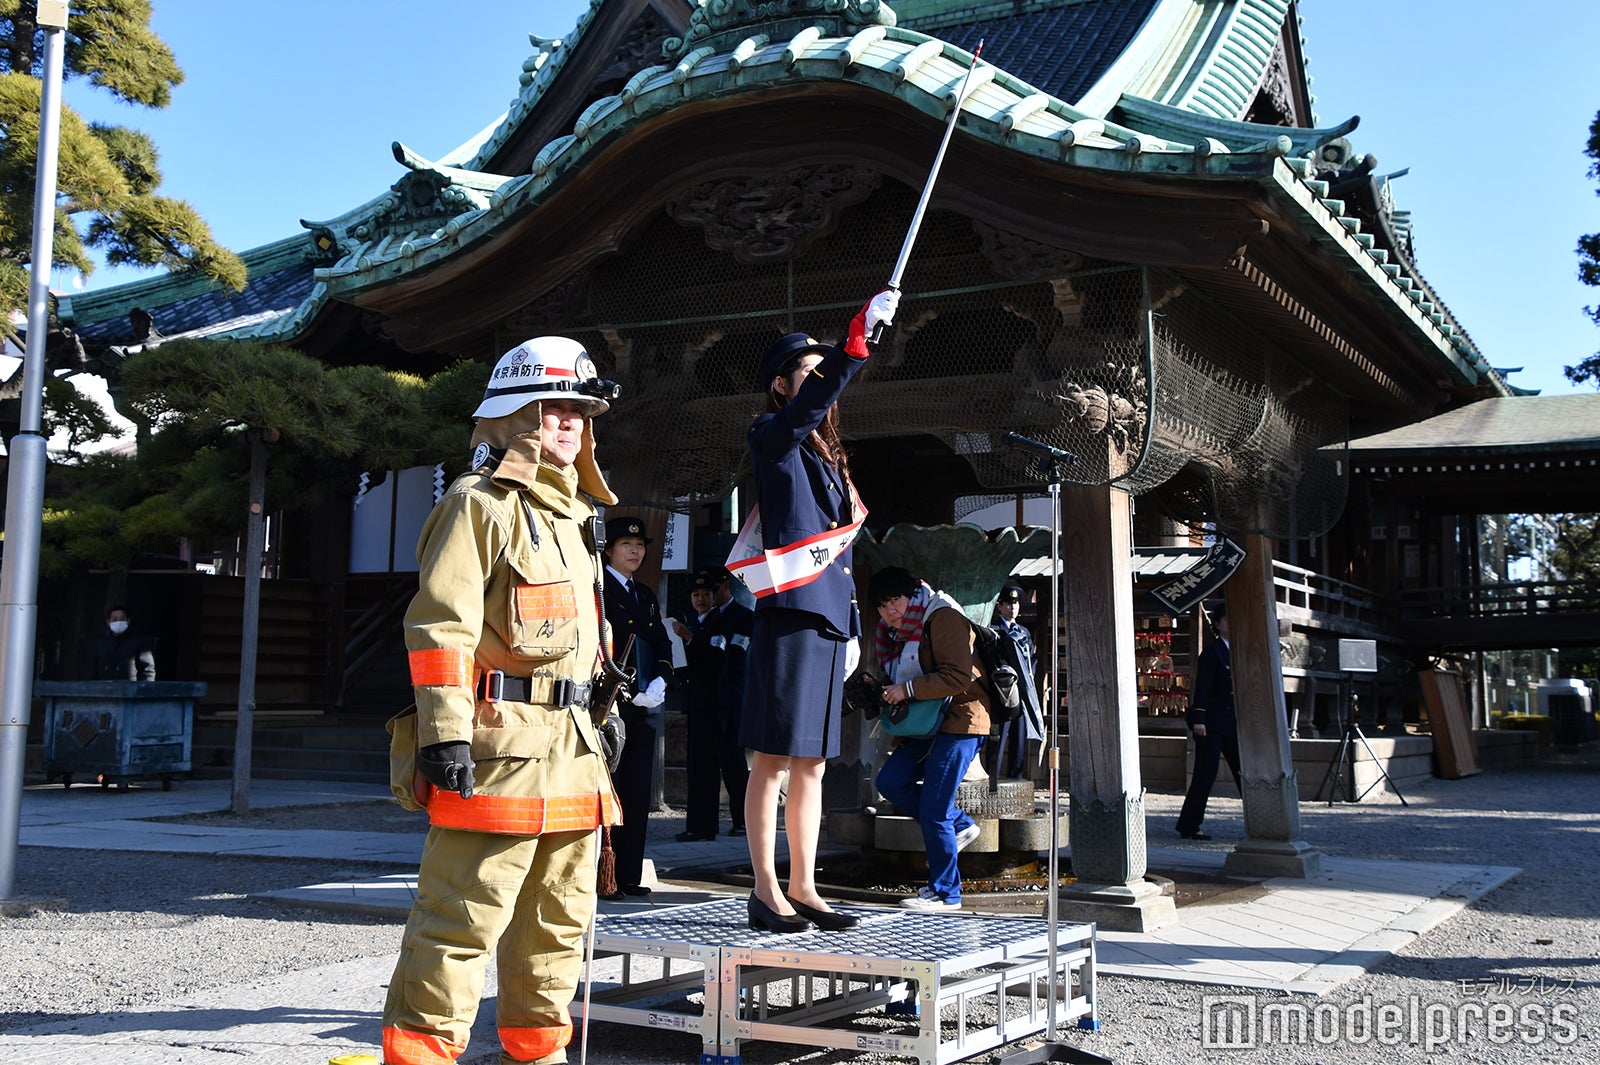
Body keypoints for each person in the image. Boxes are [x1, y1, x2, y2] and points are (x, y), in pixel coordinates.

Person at [382, 335, 626, 1065]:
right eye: (551, 409)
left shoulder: (576, 519)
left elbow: (586, 634)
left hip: (572, 757)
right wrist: (443, 732)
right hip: (497, 753)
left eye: (579, 412)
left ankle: (538, 1057)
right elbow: (439, 626)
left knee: (557, 927)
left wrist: (603, 717)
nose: (568, 424)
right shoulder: (476, 506)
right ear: (512, 417)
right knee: (459, 919)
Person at [731, 288, 897, 935]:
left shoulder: (827, 459)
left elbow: (838, 554)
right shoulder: (773, 436)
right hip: (790, 619)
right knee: (771, 758)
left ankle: (804, 883)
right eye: (808, 368)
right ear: (782, 384)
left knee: (814, 763)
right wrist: (855, 341)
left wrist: (853, 627)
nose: (820, 376)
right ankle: (765, 887)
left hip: (827, 621)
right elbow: (811, 404)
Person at [870, 566, 990, 911]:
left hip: (964, 719)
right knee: (891, 781)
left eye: (896, 601)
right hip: (928, 720)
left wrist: (906, 689)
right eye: (882, 606)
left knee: (935, 809)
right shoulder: (896, 634)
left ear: (913, 594)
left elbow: (958, 676)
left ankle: (945, 893)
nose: (890, 612)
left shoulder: (943, 616)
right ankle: (961, 824)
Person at [601, 515, 674, 898]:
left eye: (640, 546)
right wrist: (624, 687)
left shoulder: (644, 594)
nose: (635, 551)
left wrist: (662, 678)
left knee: (636, 788)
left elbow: (661, 641)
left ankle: (628, 873)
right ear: (609, 549)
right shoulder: (597, 588)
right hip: (609, 703)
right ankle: (602, 874)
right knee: (608, 787)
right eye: (626, 545)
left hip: (645, 701)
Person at [1176, 601, 1242, 841]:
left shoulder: (1236, 650)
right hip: (1211, 723)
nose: (1231, 625)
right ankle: (1189, 825)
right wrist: (1199, 718)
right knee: (1205, 774)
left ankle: (1260, 823)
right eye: (1227, 621)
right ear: (1218, 624)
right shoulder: (1212, 651)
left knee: (1244, 773)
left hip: (1232, 722)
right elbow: (1201, 688)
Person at [672, 568, 723, 841]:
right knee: (696, 765)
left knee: (705, 766)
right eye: (695, 594)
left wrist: (689, 637)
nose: (700, 599)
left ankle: (705, 827)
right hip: (695, 701)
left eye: (705, 594)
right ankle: (695, 825)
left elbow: (716, 655)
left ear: (714, 596)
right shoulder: (696, 621)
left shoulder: (717, 621)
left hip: (711, 703)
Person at [709, 567, 751, 838]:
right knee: (719, 757)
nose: (710, 597)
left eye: (714, 590)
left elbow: (738, 653)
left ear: (726, 586)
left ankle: (742, 819)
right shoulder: (711, 618)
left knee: (735, 758)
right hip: (715, 694)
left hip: (736, 694)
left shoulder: (744, 616)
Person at [990, 584, 1038, 778]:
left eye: (1016, 603)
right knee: (999, 734)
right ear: (1000, 606)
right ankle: (992, 774)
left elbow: (1031, 659)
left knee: (1019, 734)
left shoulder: (1024, 632)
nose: (1013, 607)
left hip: (1020, 689)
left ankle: (1015, 774)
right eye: (1009, 603)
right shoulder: (993, 629)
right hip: (1001, 689)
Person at [93, 605, 156, 680]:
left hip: (130, 689)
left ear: (128, 621)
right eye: (114, 619)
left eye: (122, 619)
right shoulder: (101, 643)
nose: (118, 622)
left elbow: (148, 670)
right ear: (108, 622)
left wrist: (144, 690)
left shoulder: (138, 642)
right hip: (106, 688)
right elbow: (94, 669)